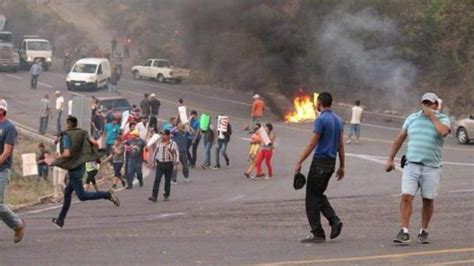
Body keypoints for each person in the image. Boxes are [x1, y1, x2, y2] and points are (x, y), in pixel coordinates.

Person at [384, 92, 450, 245]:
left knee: (427, 199)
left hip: (431, 167)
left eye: (430, 103)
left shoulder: (442, 119)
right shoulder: (412, 118)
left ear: (436, 105)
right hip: (412, 165)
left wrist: (432, 116)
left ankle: (423, 230)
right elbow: (399, 138)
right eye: (424, 102)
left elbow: (443, 132)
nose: (426, 105)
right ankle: (404, 231)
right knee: (406, 196)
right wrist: (390, 159)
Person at [49, 116, 120, 228]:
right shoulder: (82, 133)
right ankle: (60, 220)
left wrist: (55, 160)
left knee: (82, 196)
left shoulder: (67, 136)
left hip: (73, 169)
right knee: (67, 193)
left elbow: (66, 154)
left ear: (68, 124)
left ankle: (107, 194)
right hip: (81, 166)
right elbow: (95, 143)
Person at [294, 92, 345, 243]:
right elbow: (340, 146)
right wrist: (342, 166)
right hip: (331, 163)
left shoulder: (321, 119)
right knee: (318, 194)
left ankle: (318, 233)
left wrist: (299, 161)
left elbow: (312, 143)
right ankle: (334, 220)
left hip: (319, 162)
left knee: (311, 197)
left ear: (319, 103)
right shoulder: (338, 120)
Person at [0, 99, 25, 243]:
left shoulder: (9, 128)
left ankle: (17, 224)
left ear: (2, 110)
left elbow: (6, 153)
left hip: (2, 169)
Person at [148, 129, 179, 202]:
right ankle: (154, 195)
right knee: (157, 180)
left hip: (168, 164)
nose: (162, 136)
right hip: (160, 164)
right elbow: (155, 152)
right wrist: (153, 162)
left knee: (167, 181)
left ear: (168, 135)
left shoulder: (173, 144)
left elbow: (176, 154)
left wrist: (176, 164)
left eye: (164, 134)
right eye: (162, 134)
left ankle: (166, 194)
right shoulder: (159, 143)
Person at [52, 133, 66, 203]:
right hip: (57, 163)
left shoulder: (65, 144)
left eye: (56, 136)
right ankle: (57, 196)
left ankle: (66, 192)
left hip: (63, 164)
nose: (55, 138)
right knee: (55, 182)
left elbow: (66, 154)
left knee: (60, 182)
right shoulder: (57, 144)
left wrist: (59, 157)